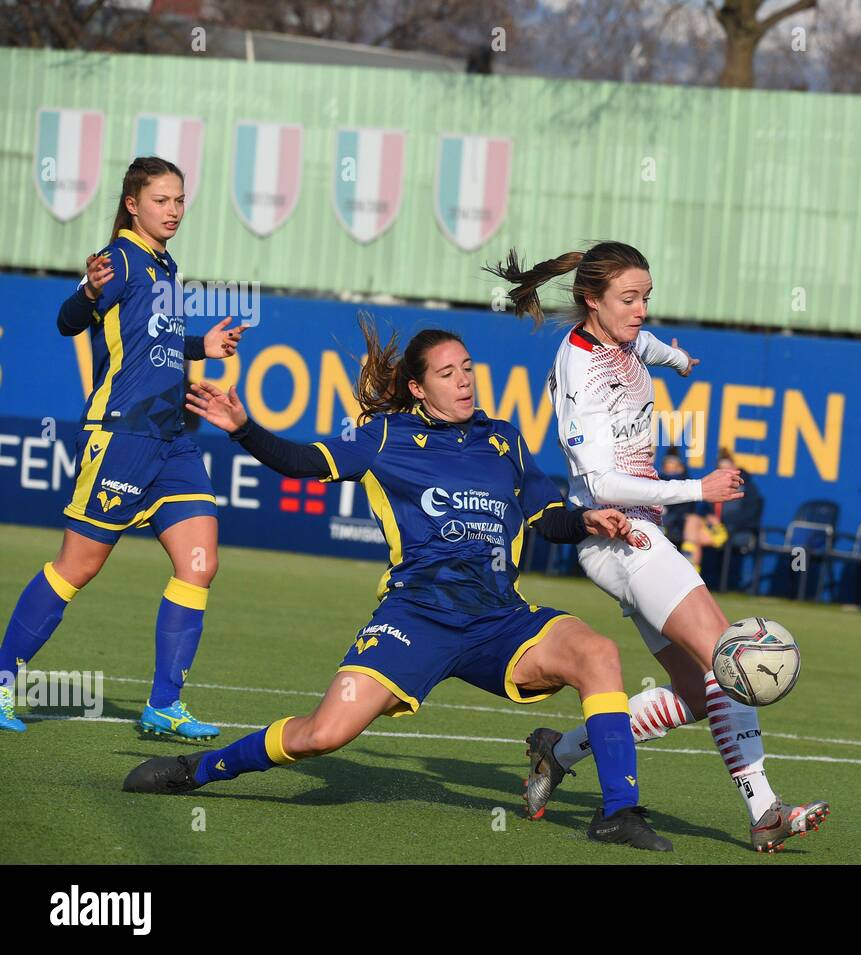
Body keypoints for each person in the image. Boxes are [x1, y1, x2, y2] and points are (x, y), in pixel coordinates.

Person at [122, 319, 673, 851]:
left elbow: (548, 516)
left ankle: (618, 812)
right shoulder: (384, 436)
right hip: (417, 617)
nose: (463, 381)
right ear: (417, 387)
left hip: (499, 619)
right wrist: (244, 428)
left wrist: (585, 520)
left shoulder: (502, 440)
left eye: (467, 368)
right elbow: (302, 462)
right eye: (447, 373)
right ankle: (197, 769)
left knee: (597, 652)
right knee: (323, 735)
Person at [485, 243, 829, 853]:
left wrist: (676, 358)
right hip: (623, 536)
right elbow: (597, 485)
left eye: (647, 296)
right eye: (629, 298)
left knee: (698, 694)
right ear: (592, 300)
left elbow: (642, 346)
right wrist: (698, 487)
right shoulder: (579, 367)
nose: (642, 310)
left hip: (640, 537)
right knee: (732, 659)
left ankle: (558, 751)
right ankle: (765, 809)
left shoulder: (619, 339)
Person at [0, 157, 246, 738]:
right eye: (162, 200)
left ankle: (164, 704)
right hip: (123, 434)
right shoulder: (117, 258)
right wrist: (87, 288)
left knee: (200, 562)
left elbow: (151, 335)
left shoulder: (165, 264)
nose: (174, 211)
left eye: (180, 201)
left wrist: (199, 343)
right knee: (78, 566)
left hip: (173, 437)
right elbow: (68, 321)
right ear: (133, 203)